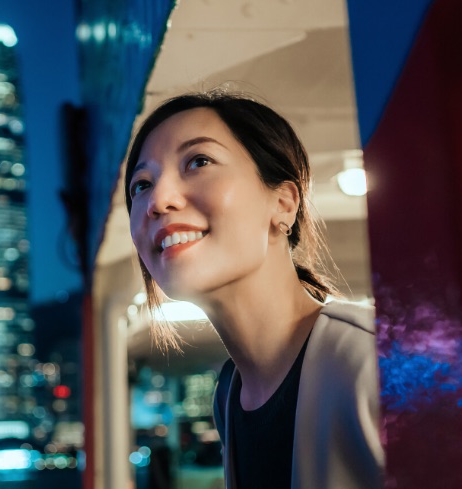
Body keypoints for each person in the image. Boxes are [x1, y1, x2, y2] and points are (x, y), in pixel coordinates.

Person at [123, 91, 384, 488]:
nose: (158, 200)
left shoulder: (373, 361)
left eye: (198, 161)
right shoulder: (230, 397)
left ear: (283, 202)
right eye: (141, 185)